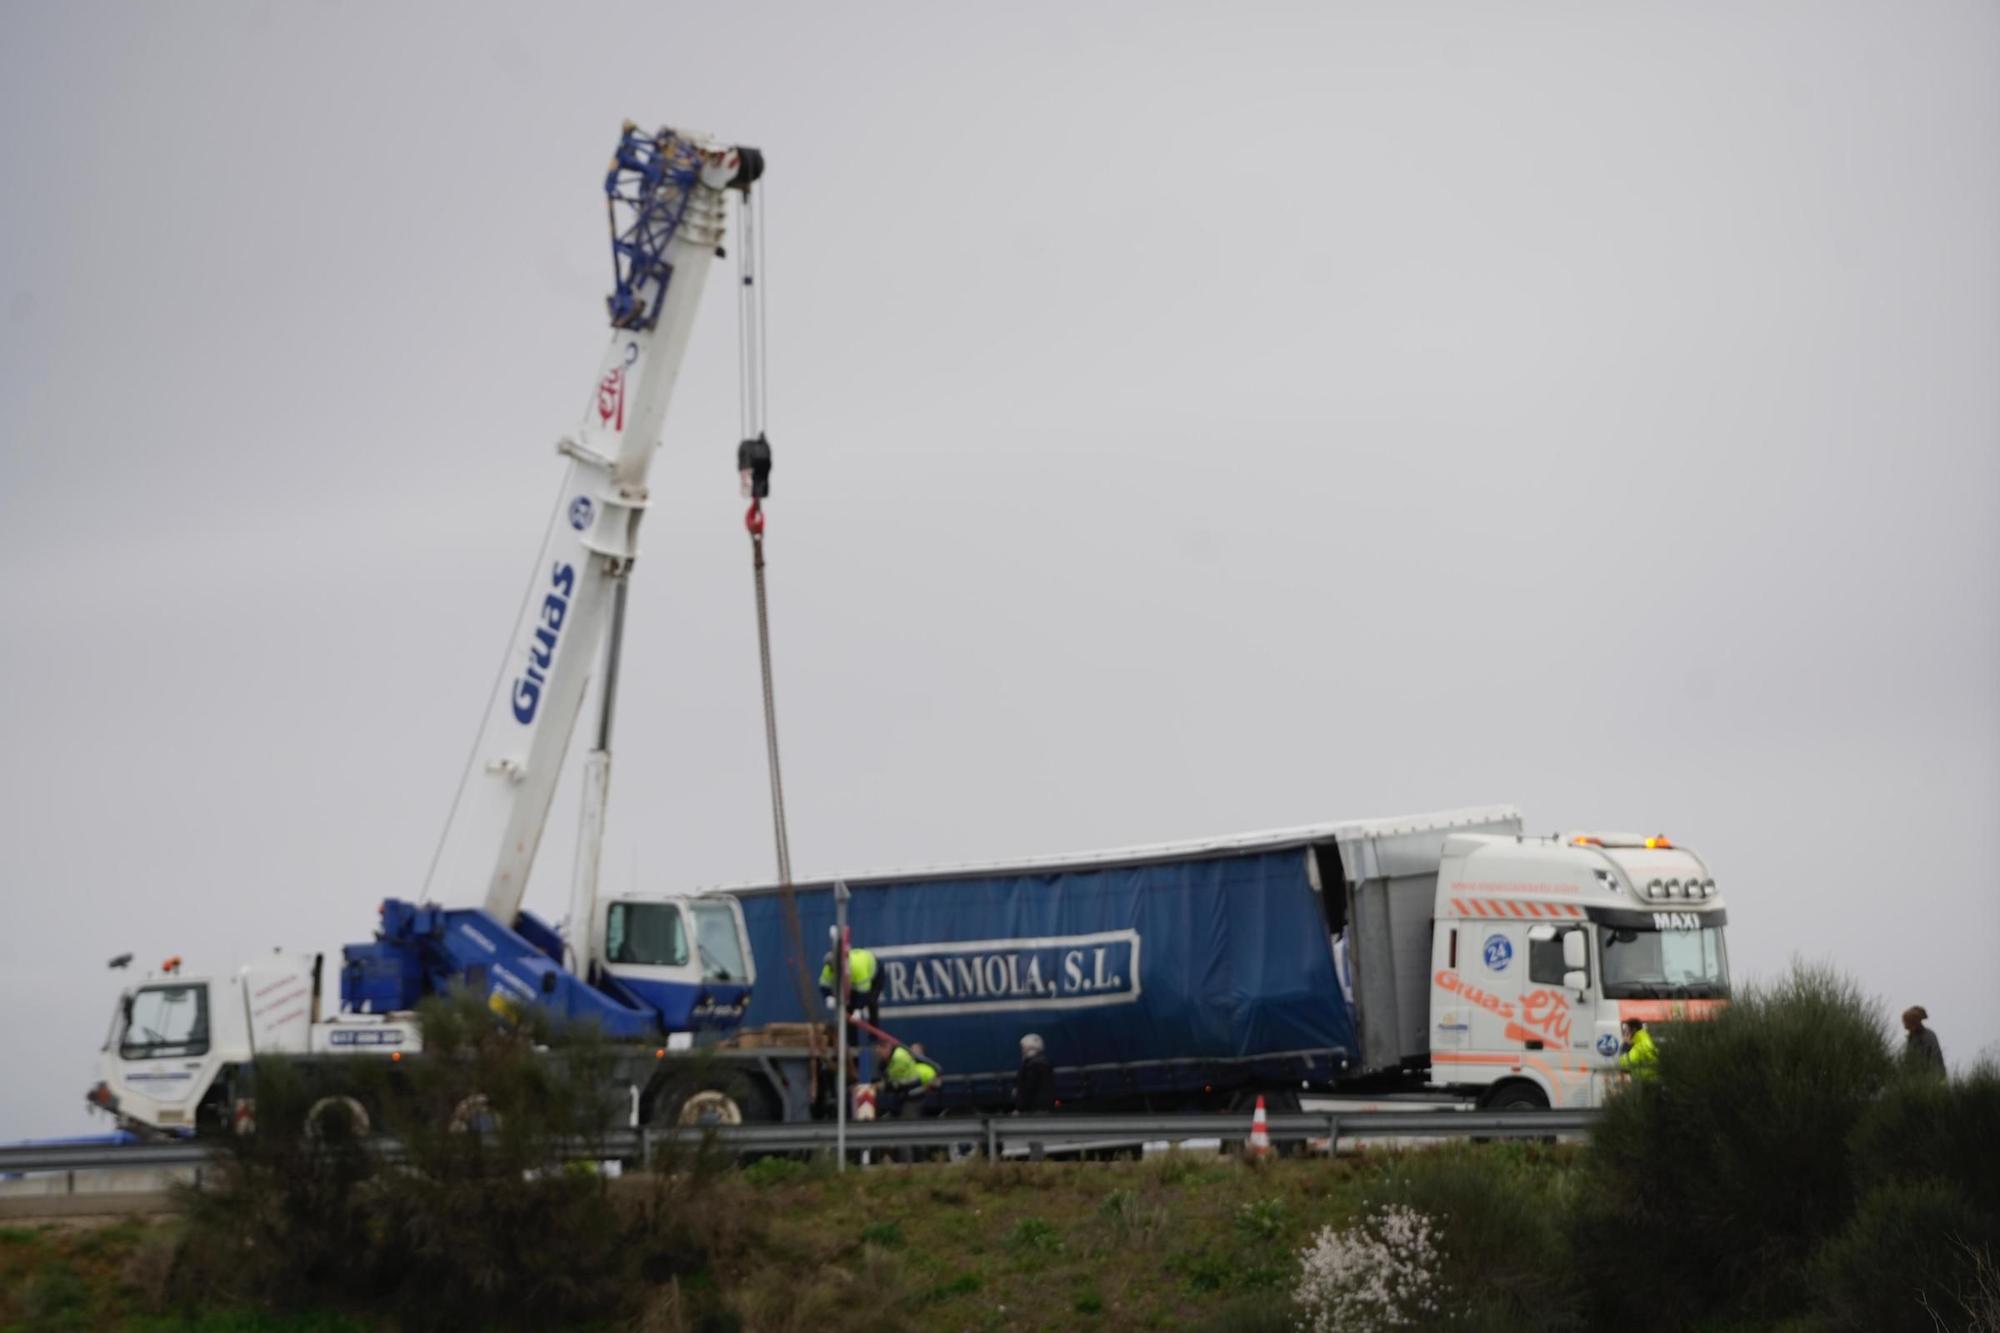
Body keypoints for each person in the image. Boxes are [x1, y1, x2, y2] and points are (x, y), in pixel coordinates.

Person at [819, 946, 882, 1047]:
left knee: (871, 1002)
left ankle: (874, 1039)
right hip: (853, 980)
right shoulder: (829, 969)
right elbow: (823, 985)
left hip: (875, 973)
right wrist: (828, 997)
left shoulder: (857, 968)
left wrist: (858, 1009)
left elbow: (863, 993)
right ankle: (853, 1045)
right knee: (849, 1010)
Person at [1902, 1005, 1946, 1078]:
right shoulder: (1912, 1038)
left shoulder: (1928, 1036)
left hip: (1931, 1080)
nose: (1906, 1028)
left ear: (1915, 1023)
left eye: (1908, 1025)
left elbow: (1935, 1060)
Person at [1015, 1033, 1054, 1113]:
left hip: (1034, 1110)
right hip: (1041, 1108)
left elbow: (1028, 1090)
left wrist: (1020, 1108)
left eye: (1024, 1048)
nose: (1022, 1050)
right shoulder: (1043, 1063)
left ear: (1031, 1048)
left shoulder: (1033, 1066)